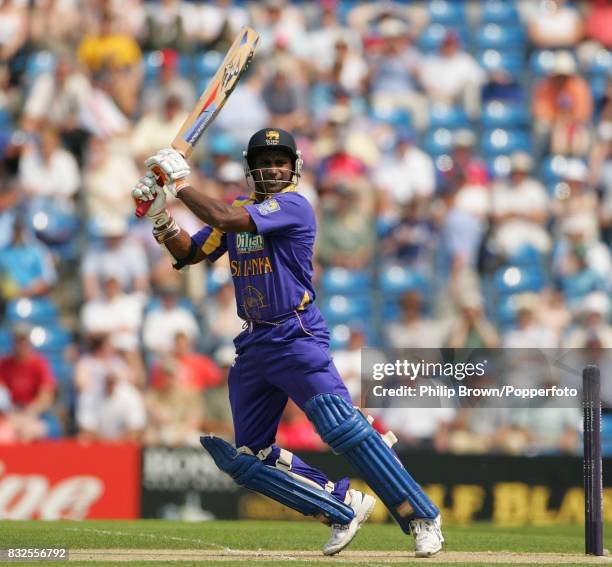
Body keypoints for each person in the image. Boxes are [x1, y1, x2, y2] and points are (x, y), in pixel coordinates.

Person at [132, 128, 444, 557]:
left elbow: (223, 218)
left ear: (293, 167)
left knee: (342, 426)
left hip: (296, 333)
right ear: (251, 169)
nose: (272, 169)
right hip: (255, 343)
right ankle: (339, 503)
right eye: (264, 162)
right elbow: (189, 254)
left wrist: (181, 184)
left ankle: (422, 517)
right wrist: (161, 216)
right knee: (250, 459)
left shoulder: (295, 206)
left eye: (280, 162)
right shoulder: (240, 208)